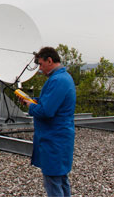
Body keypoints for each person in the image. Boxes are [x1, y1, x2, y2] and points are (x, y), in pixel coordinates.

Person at [20, 47, 76, 197]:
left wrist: (30, 106)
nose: (39, 68)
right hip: (60, 139)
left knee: (53, 182)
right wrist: (34, 101)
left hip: (54, 140)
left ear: (49, 61)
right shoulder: (63, 78)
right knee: (61, 179)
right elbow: (50, 103)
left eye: (41, 64)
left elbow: (46, 112)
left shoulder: (57, 80)